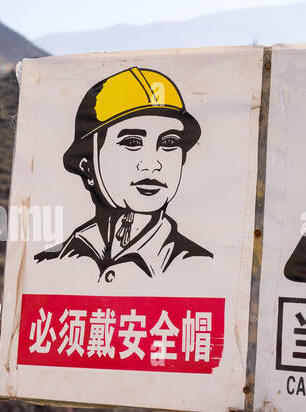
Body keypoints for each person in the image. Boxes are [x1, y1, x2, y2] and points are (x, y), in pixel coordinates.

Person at [34, 66, 211, 282]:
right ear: (87, 165)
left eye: (169, 143)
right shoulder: (46, 265)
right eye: (132, 142)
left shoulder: (201, 268)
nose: (152, 164)